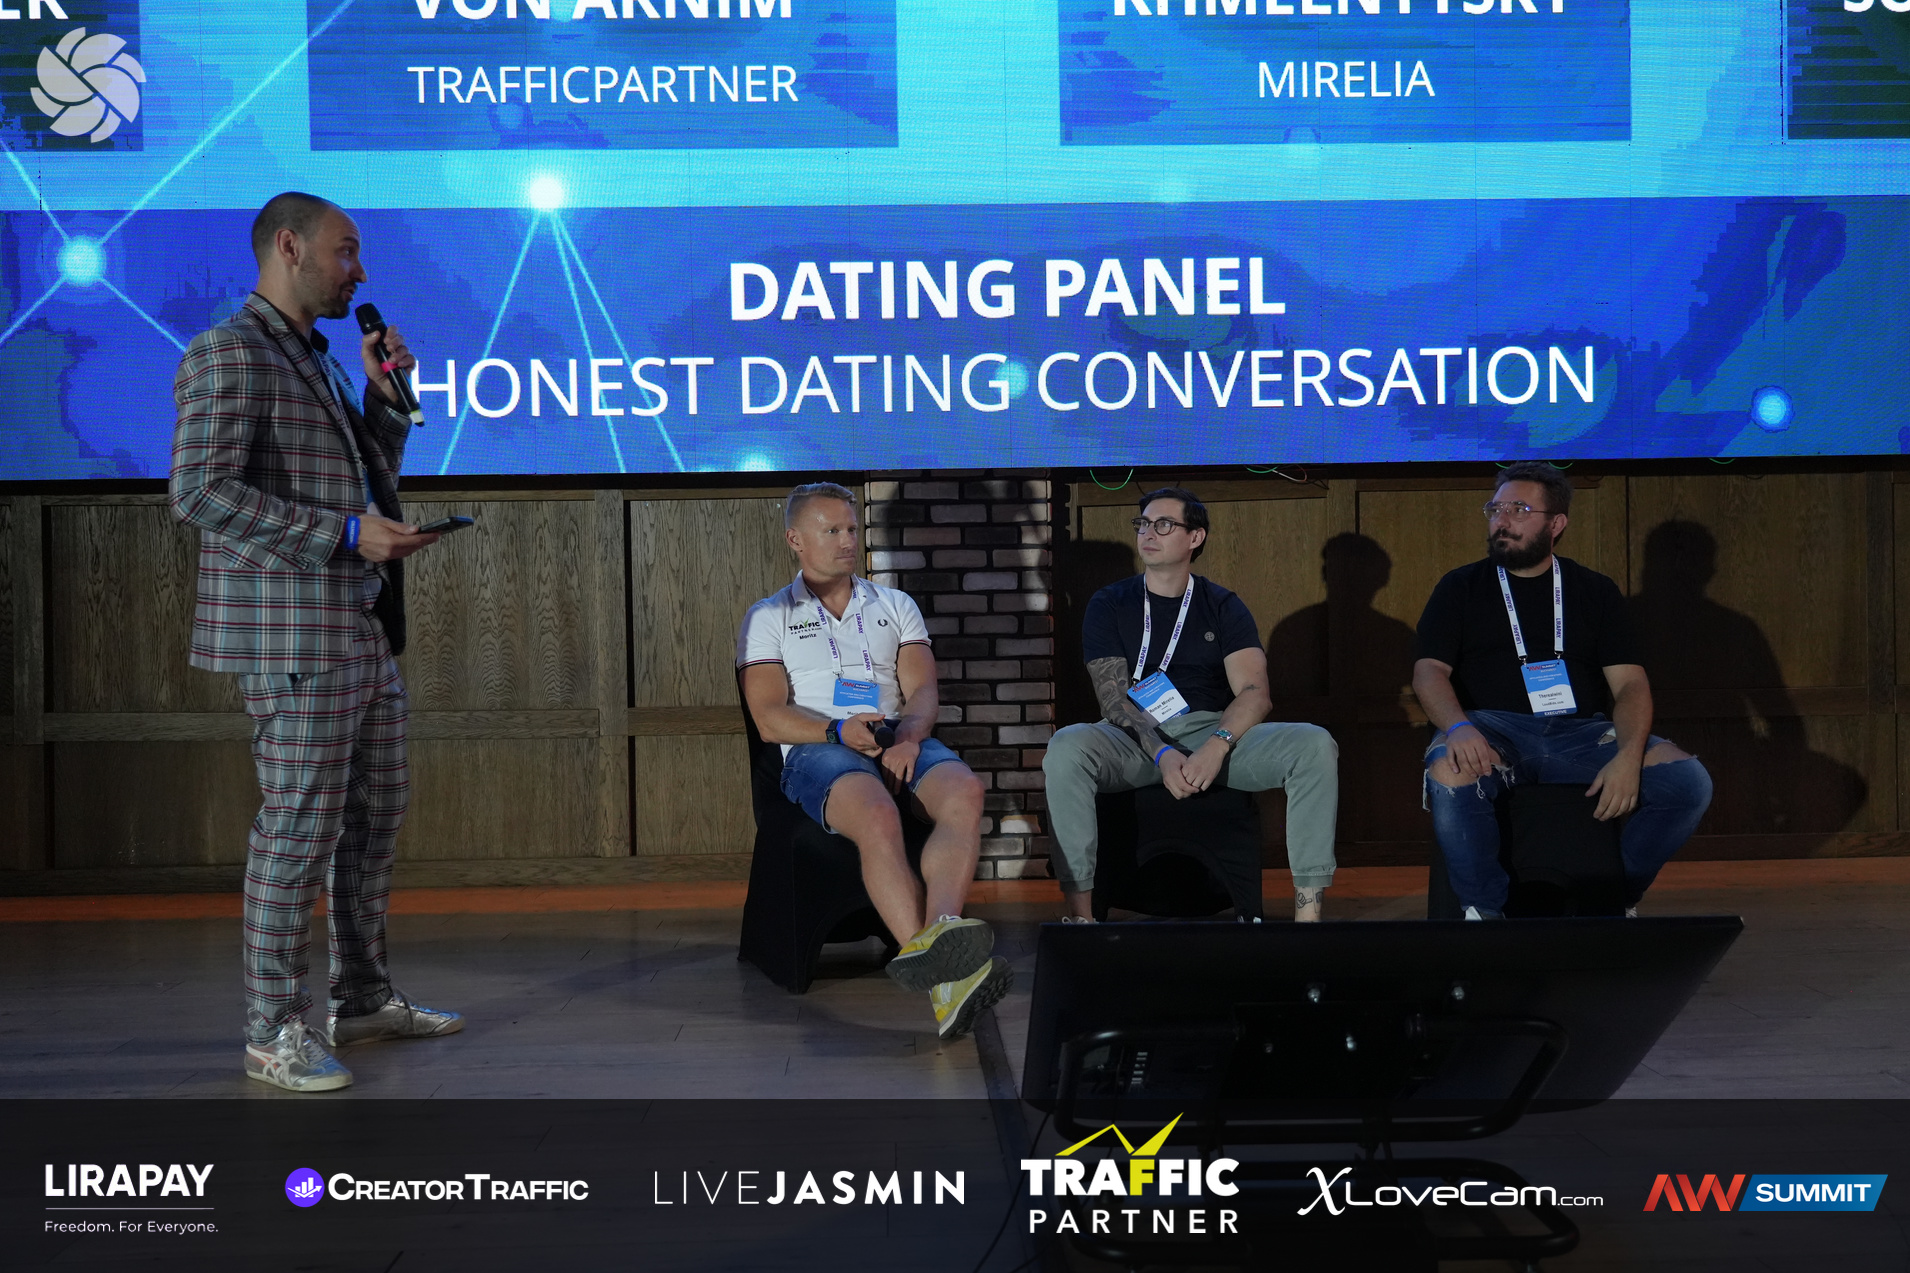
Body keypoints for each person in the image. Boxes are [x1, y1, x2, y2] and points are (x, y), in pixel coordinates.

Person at [170, 192, 461, 1093]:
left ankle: (362, 996)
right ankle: (272, 1030)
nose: (360, 272)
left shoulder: (318, 359)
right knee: (297, 830)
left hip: (358, 624)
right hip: (292, 631)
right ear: (290, 247)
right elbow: (199, 491)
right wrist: (342, 533)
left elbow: (366, 479)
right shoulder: (230, 351)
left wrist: (384, 402)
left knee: (373, 819)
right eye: (346, 251)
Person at [737, 482, 1012, 1040]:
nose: (847, 541)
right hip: (818, 746)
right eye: (831, 530)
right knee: (878, 814)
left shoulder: (894, 605)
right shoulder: (768, 616)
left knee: (964, 790)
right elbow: (768, 718)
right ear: (795, 539)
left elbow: (923, 691)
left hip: (893, 733)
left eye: (851, 529)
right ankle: (945, 980)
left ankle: (942, 933)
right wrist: (836, 729)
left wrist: (909, 737)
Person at [1411, 461, 1714, 918]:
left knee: (1687, 783)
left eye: (1518, 510)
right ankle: (1485, 913)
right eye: (1495, 509)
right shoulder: (1460, 587)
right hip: (1490, 729)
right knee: (1449, 774)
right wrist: (1457, 727)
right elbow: (1428, 671)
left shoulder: (1594, 590)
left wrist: (1628, 756)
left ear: (1556, 524)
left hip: (1580, 733)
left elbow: (1630, 685)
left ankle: (1614, 894)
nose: (1502, 520)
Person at [1043, 487, 1340, 922]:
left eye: (1164, 524)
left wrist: (1217, 745)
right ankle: (1081, 917)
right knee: (1067, 746)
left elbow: (1254, 692)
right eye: (1143, 524)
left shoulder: (1222, 605)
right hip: (1133, 738)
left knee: (1314, 744)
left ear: (1195, 537)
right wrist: (1162, 753)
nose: (1148, 533)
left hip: (1211, 730)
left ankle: (1308, 918)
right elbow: (1113, 700)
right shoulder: (1110, 602)